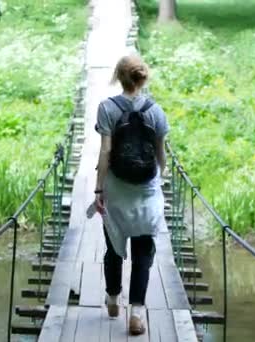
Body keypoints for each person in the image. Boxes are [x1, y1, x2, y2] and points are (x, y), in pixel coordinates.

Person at [93, 55, 169, 336]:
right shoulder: (156, 111)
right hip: (146, 190)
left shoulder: (107, 108)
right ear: (143, 78)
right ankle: (137, 312)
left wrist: (99, 189)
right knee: (143, 251)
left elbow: (105, 152)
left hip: (117, 188)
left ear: (119, 77)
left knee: (113, 246)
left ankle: (113, 298)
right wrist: (161, 177)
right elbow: (161, 154)